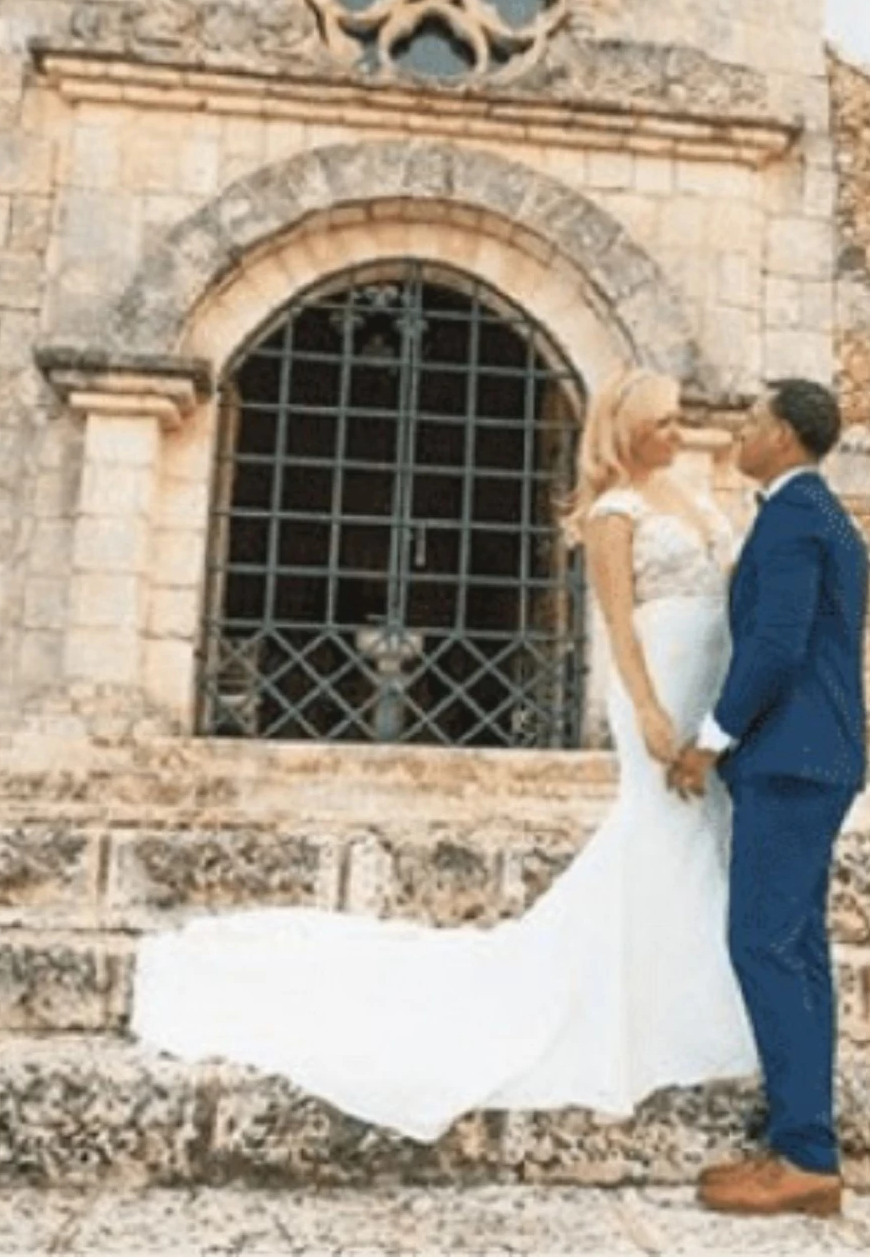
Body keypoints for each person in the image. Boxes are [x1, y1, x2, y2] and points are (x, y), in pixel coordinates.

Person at [127, 366, 756, 1140]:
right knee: (663, 833)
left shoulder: (692, 497)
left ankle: (683, 997)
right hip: (657, 684)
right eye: (662, 421)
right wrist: (654, 714)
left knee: (704, 841)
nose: (676, 430)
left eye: (679, 417)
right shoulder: (613, 512)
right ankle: (657, 1014)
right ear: (626, 429)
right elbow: (620, 629)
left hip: (712, 684)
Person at [667, 378, 869, 1220]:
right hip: (818, 756)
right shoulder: (826, 517)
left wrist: (710, 738)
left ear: (784, 435)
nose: (741, 434)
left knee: (764, 945)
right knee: (798, 950)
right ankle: (802, 1137)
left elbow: (779, 643)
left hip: (789, 758)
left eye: (752, 423)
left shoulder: (790, 518)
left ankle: (806, 1159)